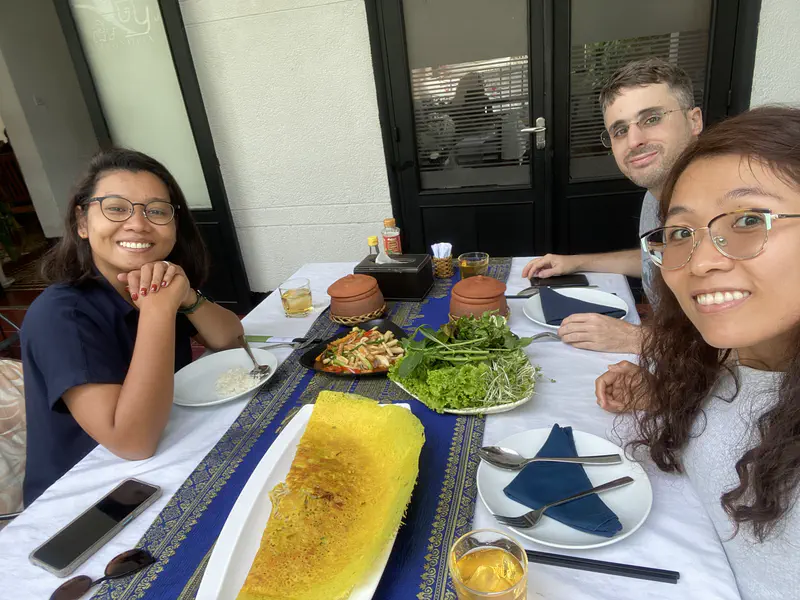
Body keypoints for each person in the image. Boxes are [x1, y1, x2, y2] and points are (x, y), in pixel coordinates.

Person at [596, 106, 800, 600]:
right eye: (682, 233)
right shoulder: (735, 354)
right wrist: (669, 395)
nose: (703, 260)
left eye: (749, 220)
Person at [21, 148, 244, 505]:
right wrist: (158, 309)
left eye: (156, 211)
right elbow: (132, 442)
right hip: (87, 497)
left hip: (165, 454)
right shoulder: (61, 315)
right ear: (82, 222)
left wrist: (187, 297)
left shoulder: (155, 281)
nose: (138, 223)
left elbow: (230, 340)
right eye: (116, 207)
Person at [522, 58, 703, 352]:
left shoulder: (725, 209)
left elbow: (755, 346)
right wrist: (574, 263)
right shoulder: (654, 196)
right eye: (620, 130)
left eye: (652, 119)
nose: (634, 140)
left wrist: (637, 339)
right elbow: (650, 260)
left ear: (694, 120)